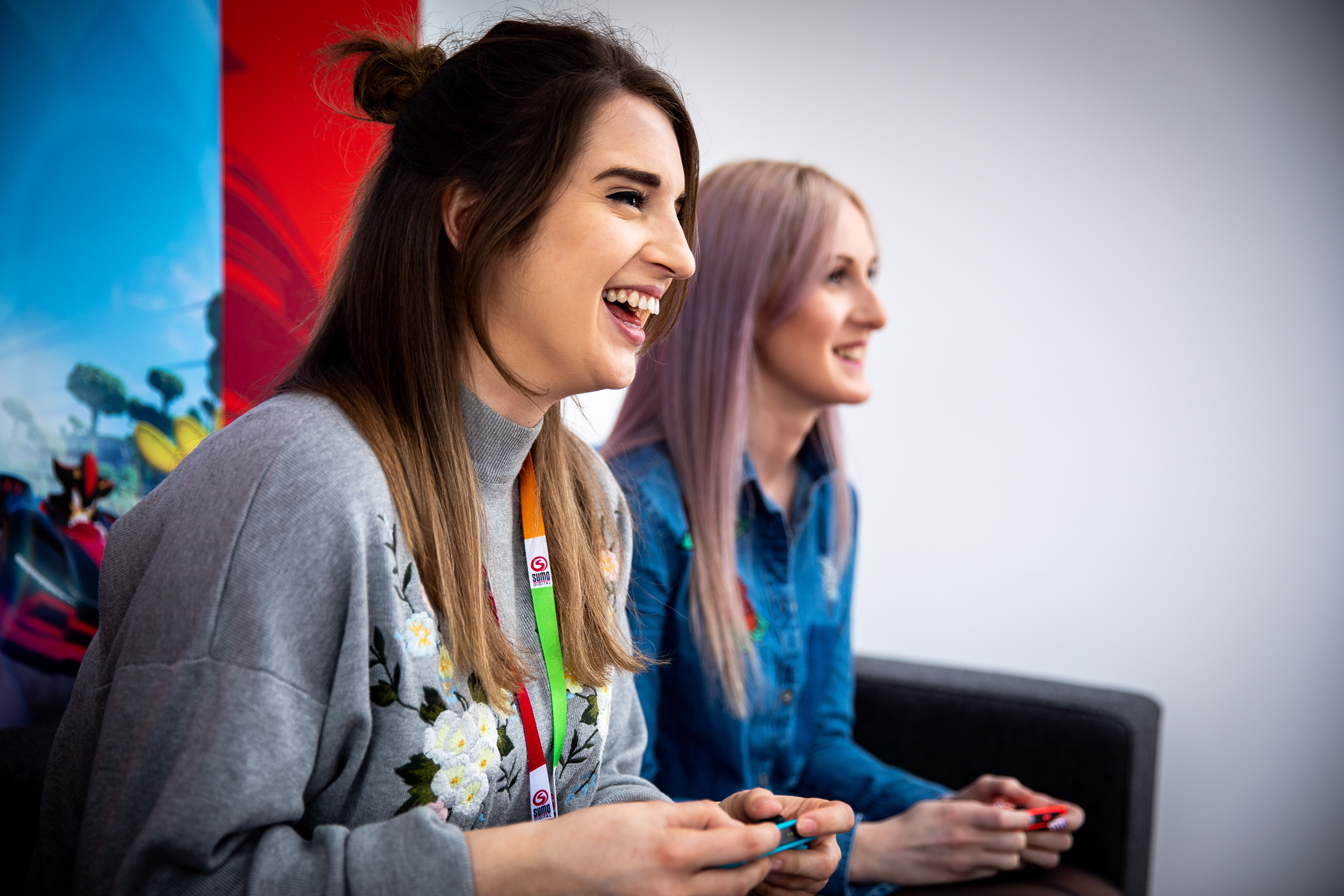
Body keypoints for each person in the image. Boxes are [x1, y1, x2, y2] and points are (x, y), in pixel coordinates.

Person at [26, 25, 852, 896]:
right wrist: (522, 867)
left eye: (677, 211)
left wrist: (703, 842)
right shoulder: (294, 485)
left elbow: (589, 786)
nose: (682, 254)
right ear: (474, 216)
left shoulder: (588, 499)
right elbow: (152, 878)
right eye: (627, 196)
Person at [604, 160, 1119, 896]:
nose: (876, 312)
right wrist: (865, 853)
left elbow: (815, 744)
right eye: (837, 276)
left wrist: (946, 812)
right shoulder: (632, 507)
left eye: (872, 273)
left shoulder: (834, 505)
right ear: (741, 301)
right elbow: (627, 799)